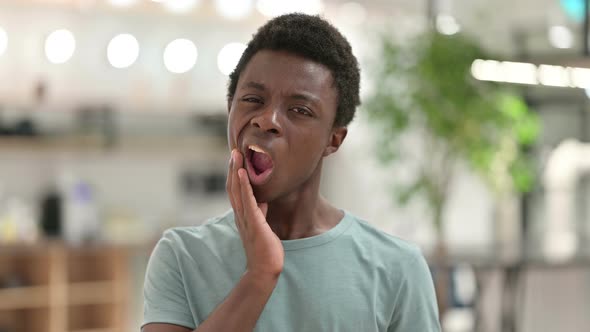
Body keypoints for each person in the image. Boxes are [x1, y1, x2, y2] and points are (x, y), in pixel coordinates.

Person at [142, 13, 440, 332]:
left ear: (333, 139)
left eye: (300, 110)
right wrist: (260, 274)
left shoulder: (397, 268)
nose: (266, 119)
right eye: (253, 99)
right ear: (230, 108)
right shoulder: (182, 255)